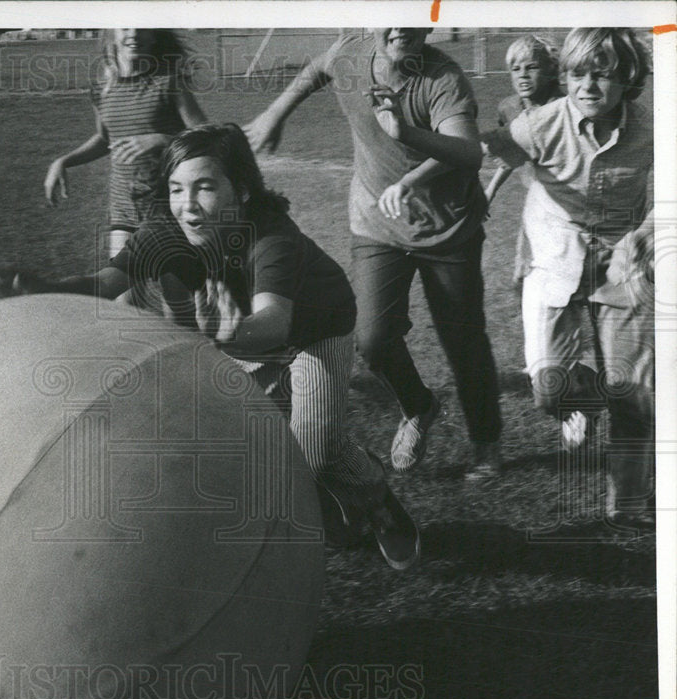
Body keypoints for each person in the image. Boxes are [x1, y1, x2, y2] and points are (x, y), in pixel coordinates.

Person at [0, 123, 421, 570]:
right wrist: (44, 287)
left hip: (313, 332)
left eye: (204, 187)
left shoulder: (271, 237)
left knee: (313, 454)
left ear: (242, 190)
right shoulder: (165, 231)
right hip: (232, 332)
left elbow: (273, 324)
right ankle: (326, 495)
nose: (188, 206)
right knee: (264, 452)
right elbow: (105, 283)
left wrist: (224, 333)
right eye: (176, 189)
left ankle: (376, 496)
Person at [246, 29, 503, 481]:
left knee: (463, 343)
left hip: (449, 230)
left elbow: (467, 150)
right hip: (376, 224)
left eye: (414, 16)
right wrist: (274, 114)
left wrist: (407, 147)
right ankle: (419, 406)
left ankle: (486, 445)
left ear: (429, 25)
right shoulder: (349, 52)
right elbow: (316, 69)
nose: (401, 26)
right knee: (371, 337)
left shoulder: (443, 78)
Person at [481, 28, 654, 526]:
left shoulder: (656, 127)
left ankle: (629, 503)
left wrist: (641, 238)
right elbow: (487, 152)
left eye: (603, 74)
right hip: (558, 259)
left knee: (633, 390)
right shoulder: (541, 123)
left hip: (626, 265)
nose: (588, 86)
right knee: (550, 391)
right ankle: (604, 395)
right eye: (578, 74)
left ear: (628, 78)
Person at [44, 28, 207, 258]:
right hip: (123, 209)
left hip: (169, 207)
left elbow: (206, 136)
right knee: (118, 287)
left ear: (154, 36)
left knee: (177, 291)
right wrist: (63, 161)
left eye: (142, 27)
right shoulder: (102, 90)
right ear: (111, 34)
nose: (134, 33)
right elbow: (105, 139)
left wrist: (162, 139)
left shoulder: (169, 82)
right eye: (125, 27)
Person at [483, 34, 564, 286]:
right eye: (515, 69)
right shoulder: (509, 107)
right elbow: (513, 154)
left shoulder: (565, 106)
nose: (522, 75)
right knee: (526, 276)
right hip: (538, 205)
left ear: (552, 69)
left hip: (570, 205)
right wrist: (490, 191)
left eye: (532, 67)